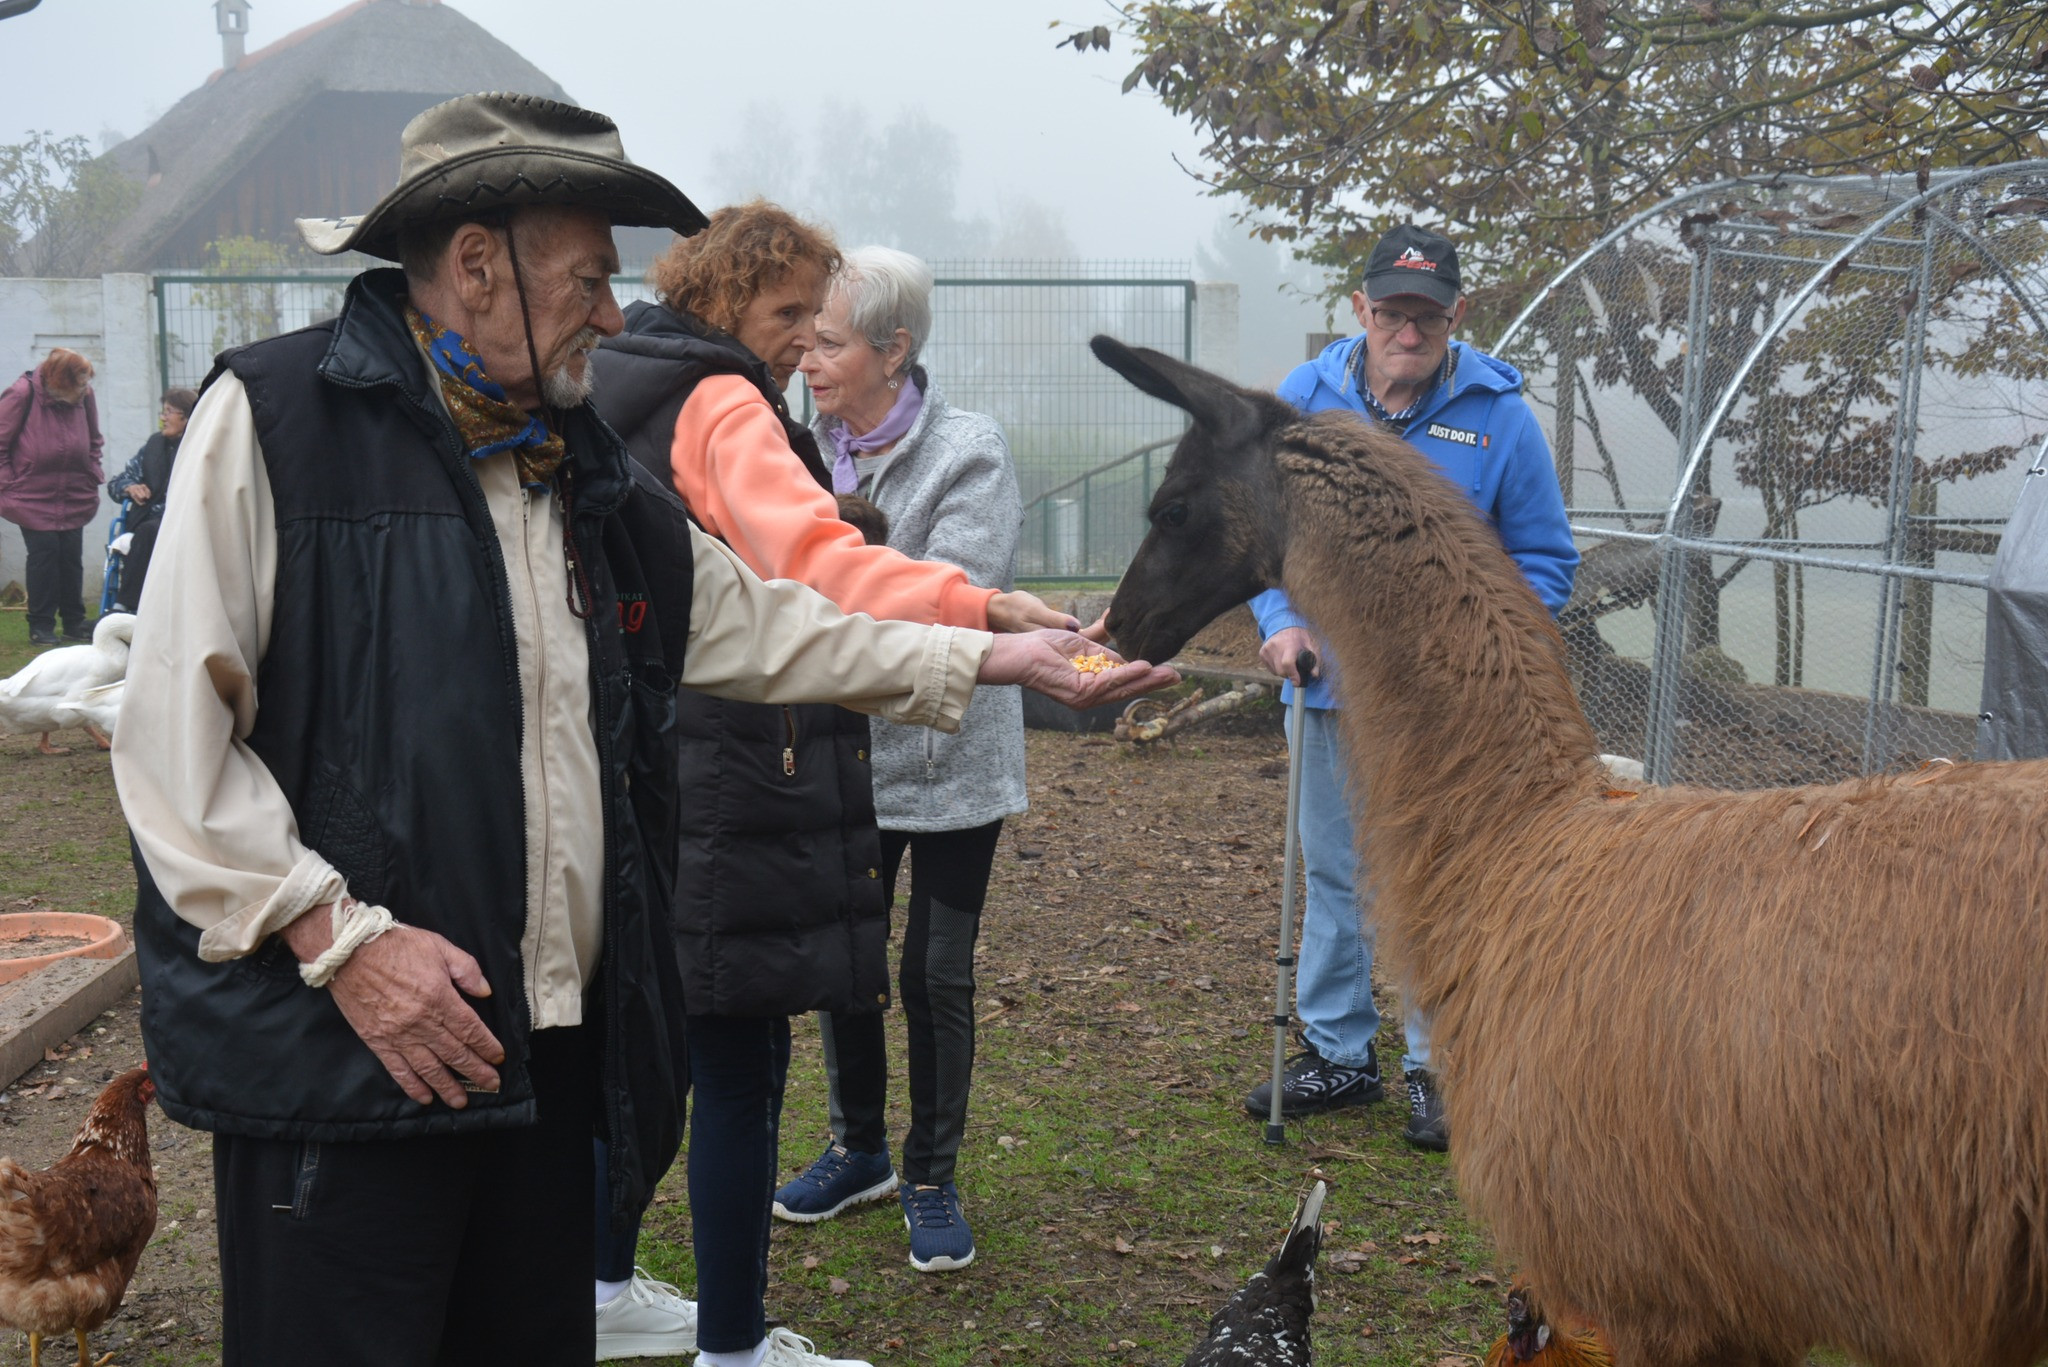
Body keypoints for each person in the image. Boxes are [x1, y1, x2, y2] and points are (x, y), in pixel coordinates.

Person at [108, 93, 1172, 1367]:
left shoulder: (575, 460)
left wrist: (991, 654)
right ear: (476, 266)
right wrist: (338, 938)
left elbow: (757, 620)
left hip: (542, 1065)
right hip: (345, 1068)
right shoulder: (281, 422)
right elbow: (171, 737)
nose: (614, 316)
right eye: (588, 279)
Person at [587, 205, 1076, 1367]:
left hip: (649, 752)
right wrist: (980, 609)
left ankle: (601, 1283)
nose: (803, 342)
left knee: (648, 1044)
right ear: (724, 298)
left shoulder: (616, 378)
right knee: (740, 1061)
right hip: (737, 763)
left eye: (820, 321)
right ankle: (733, 1343)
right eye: (788, 313)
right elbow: (813, 562)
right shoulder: (719, 399)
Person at [1244, 224, 1577, 1151]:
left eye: (1427, 315)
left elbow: (1546, 561)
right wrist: (1280, 622)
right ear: (1360, 309)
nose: (1408, 330)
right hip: (1328, 696)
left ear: (1456, 315)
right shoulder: (1303, 400)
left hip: (1445, 714)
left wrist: (1473, 648)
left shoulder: (1499, 415)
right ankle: (1339, 1052)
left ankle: (1441, 1064)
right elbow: (1263, 538)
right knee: (1335, 872)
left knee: (1443, 876)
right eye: (1391, 312)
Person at [772, 246, 1027, 1276]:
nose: (806, 358)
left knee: (934, 970)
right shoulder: (792, 446)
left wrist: (828, 575)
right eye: (804, 339)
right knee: (847, 960)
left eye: (828, 342)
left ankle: (931, 1172)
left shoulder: (969, 451)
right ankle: (859, 1148)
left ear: (893, 349)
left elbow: (949, 594)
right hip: (844, 753)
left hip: (952, 760)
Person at [0, 347, 104, 644]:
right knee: (44, 555)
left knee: (71, 555)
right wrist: (10, 483)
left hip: (73, 491)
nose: (85, 389)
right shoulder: (21, 394)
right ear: (60, 380)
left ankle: (74, 622)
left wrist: (92, 471)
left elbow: (94, 440)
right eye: (79, 383)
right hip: (30, 495)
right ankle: (41, 626)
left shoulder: (85, 396)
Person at [104, 386, 198, 612]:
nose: (163, 418)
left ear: (187, 417)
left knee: (148, 532)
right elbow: (115, 484)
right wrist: (130, 487)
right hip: (148, 521)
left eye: (169, 412)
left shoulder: (197, 449)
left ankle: (125, 606)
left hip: (184, 520)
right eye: (162, 412)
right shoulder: (153, 446)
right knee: (146, 531)